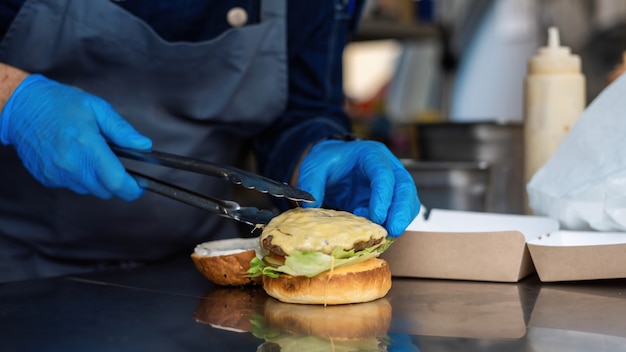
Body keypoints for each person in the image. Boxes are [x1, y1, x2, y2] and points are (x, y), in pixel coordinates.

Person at [0, 0, 420, 282]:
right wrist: (13, 98)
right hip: (19, 268)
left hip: (200, 276)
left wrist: (317, 149)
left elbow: (299, 107)